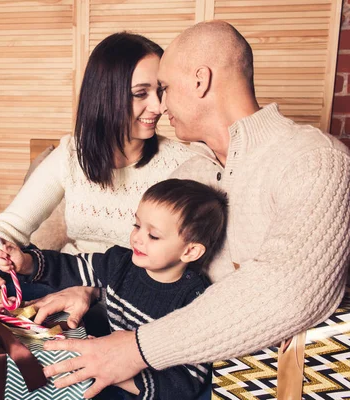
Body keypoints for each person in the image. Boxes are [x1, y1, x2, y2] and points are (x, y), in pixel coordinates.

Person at [41, 20, 350, 399]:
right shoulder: (191, 171)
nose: (161, 105)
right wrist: (92, 292)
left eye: (166, 88)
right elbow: (152, 262)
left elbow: (290, 290)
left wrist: (137, 349)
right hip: (174, 360)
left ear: (201, 81)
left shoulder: (315, 159)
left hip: (253, 380)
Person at [0, 32, 194, 327]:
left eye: (160, 91)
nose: (159, 106)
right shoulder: (73, 154)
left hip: (118, 302)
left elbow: (181, 273)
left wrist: (95, 293)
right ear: (106, 95)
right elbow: (10, 225)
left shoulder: (180, 164)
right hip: (61, 278)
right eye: (141, 94)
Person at [0, 179, 227, 400]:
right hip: (103, 376)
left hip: (141, 390)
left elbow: (186, 382)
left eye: (153, 235)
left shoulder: (195, 300)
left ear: (190, 251)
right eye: (137, 225)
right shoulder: (120, 263)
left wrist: (114, 372)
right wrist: (26, 262)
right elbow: (73, 266)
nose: (137, 238)